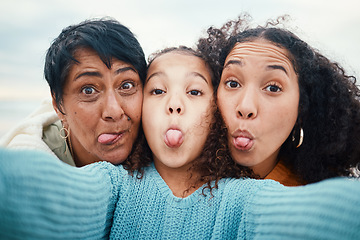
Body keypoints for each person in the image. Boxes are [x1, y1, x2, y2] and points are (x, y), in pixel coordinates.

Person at [1, 46, 360, 240]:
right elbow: (55, 201)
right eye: (158, 90)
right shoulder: (111, 185)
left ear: (217, 113)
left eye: (194, 91)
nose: (174, 103)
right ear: (141, 109)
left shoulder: (244, 200)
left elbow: (307, 216)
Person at [197, 14, 360, 186]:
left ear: (302, 107)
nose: (246, 107)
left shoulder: (317, 202)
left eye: (273, 88)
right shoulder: (175, 180)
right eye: (232, 83)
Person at [0, 18, 147, 167]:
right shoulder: (28, 167)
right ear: (59, 106)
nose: (114, 111)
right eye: (88, 90)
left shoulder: (160, 136)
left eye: (126, 86)